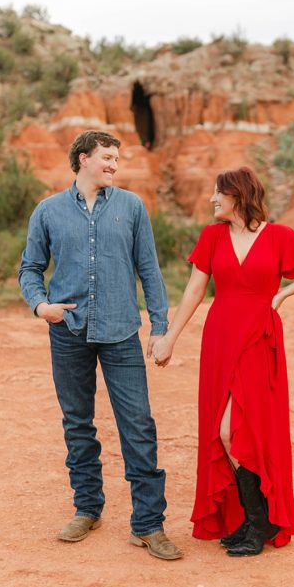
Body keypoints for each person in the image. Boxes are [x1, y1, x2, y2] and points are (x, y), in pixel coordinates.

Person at [151, 167, 294, 556]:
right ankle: (251, 520)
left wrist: (284, 294)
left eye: (218, 193)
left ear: (237, 195)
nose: (211, 200)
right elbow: (194, 291)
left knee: (234, 430)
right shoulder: (212, 237)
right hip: (220, 339)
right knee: (223, 430)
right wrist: (170, 337)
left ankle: (259, 520)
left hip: (258, 339)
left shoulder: (278, 235)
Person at [19, 130, 182, 560]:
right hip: (67, 331)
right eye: (107, 158)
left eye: (116, 159)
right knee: (77, 423)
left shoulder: (132, 207)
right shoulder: (48, 211)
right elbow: (30, 269)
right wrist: (41, 308)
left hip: (122, 332)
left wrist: (159, 327)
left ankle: (148, 524)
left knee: (139, 426)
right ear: (84, 159)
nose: (114, 165)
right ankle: (87, 508)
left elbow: (150, 269)